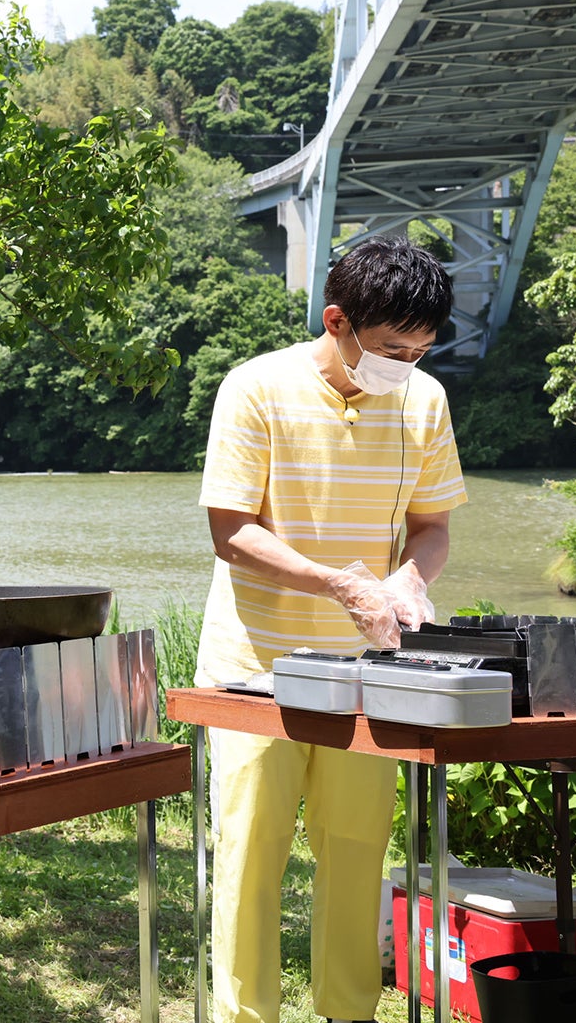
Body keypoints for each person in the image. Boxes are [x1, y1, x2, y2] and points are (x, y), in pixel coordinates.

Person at [195, 234, 466, 1023]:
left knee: (354, 854)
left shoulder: (424, 399)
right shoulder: (255, 388)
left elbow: (433, 525)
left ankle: (349, 1012)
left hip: (366, 669)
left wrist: (412, 574)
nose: (404, 364)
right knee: (250, 858)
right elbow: (231, 529)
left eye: (420, 349)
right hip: (254, 665)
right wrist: (337, 581)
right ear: (336, 319)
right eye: (390, 348)